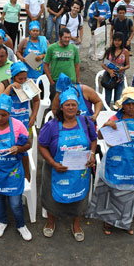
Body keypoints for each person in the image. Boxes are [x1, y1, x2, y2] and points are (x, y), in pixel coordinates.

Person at [87, 87, 134, 235]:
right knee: (113, 191)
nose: (131, 107)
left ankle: (125, 222)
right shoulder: (115, 119)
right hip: (117, 162)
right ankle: (108, 222)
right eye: (128, 104)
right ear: (122, 105)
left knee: (130, 193)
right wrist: (105, 126)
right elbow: (100, 137)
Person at [38, 88, 97, 241]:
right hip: (56, 170)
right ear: (61, 107)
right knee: (52, 198)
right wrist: (52, 163)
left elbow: (93, 139)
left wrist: (91, 154)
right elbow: (42, 146)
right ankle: (50, 222)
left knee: (79, 197)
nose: (71, 107)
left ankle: (76, 225)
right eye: (67, 105)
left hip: (79, 171)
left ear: (78, 106)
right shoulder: (52, 125)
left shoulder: (86, 122)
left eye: (73, 104)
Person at [0, 94, 32, 241]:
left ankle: (21, 225)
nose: (0, 118)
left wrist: (19, 149)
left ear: (10, 113)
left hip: (13, 169)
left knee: (15, 203)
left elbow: (29, 144)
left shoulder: (18, 125)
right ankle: (2, 221)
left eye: (4, 115)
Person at [0, 62, 40, 129]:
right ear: (13, 77)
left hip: (23, 120)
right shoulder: (4, 84)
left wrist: (33, 116)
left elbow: (36, 100)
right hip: (7, 121)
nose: (23, 81)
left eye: (25, 78)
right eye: (20, 79)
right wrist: (10, 87)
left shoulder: (28, 83)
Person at [44, 28, 81, 101]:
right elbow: (45, 64)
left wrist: (77, 81)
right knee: (55, 106)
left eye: (69, 37)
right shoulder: (51, 48)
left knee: (70, 104)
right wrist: (51, 80)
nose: (67, 39)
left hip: (71, 82)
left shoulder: (73, 48)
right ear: (59, 37)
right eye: (65, 37)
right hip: (56, 82)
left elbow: (76, 66)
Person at [102, 32, 130, 107]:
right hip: (109, 77)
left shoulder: (125, 52)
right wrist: (109, 71)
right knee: (107, 99)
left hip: (120, 78)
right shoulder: (109, 51)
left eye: (119, 40)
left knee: (117, 100)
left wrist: (122, 68)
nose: (117, 42)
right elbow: (103, 64)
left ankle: (116, 116)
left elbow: (128, 65)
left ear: (122, 41)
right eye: (115, 40)